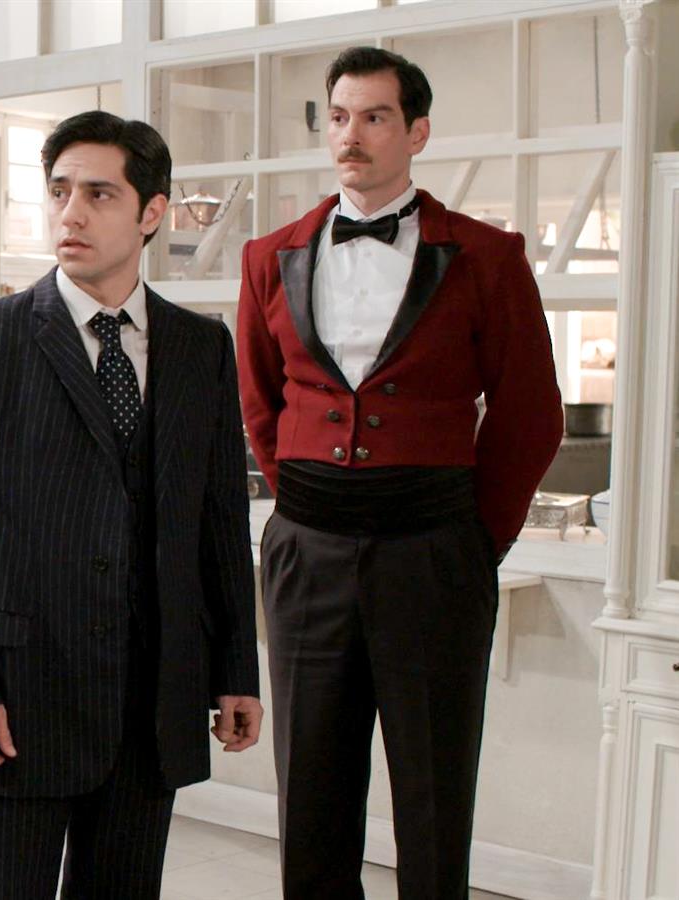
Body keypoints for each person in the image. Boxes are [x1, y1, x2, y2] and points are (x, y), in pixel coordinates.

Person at [0, 110, 262, 900]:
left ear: (151, 212)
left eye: (99, 194)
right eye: (60, 191)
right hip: (19, 699)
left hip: (153, 704)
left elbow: (217, 521)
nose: (71, 213)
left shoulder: (200, 347)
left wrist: (235, 670)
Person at [237, 47, 562, 899]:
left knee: (433, 792)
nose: (352, 135)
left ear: (417, 132)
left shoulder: (487, 256)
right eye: (339, 117)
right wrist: (307, 502)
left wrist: (475, 541)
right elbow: (260, 403)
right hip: (307, 548)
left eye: (375, 117)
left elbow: (531, 415)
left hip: (434, 548)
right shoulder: (269, 256)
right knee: (310, 791)